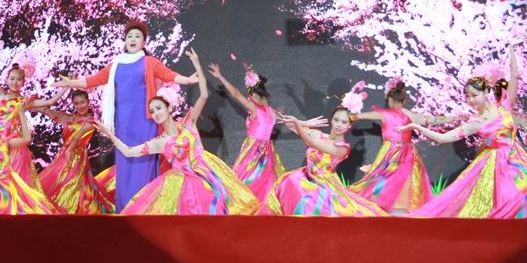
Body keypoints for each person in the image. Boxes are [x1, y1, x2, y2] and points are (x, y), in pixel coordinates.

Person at [398, 37, 527, 219]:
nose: (470, 100)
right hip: (498, 165)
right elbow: (443, 138)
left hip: (518, 158)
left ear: (486, 92)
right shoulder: (475, 122)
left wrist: (511, 48)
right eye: (467, 96)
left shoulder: (504, 106)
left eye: (474, 95)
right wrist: (415, 126)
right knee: (506, 201)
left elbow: (515, 76)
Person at [54, 21, 199, 211]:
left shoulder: (149, 62)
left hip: (145, 122)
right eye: (130, 36)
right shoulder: (116, 64)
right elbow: (94, 80)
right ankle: (125, 210)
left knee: (143, 164)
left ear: (144, 42)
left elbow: (168, 75)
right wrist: (70, 83)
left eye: (137, 36)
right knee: (125, 163)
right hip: (123, 122)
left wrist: (187, 80)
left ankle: (144, 209)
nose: (133, 39)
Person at [95, 49, 259, 215]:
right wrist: (109, 133)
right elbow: (129, 152)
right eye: (152, 111)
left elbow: (203, 96)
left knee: (224, 210)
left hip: (207, 173)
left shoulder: (188, 124)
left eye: (158, 108)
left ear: (169, 108)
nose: (156, 113)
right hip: (187, 186)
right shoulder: (159, 142)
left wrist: (197, 65)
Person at [264, 107, 386, 216]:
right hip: (306, 178)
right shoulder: (319, 135)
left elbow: (311, 143)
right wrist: (305, 123)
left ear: (349, 125)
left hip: (322, 185)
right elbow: (290, 125)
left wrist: (297, 122)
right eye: (336, 120)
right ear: (331, 120)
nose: (339, 125)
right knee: (291, 181)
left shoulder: (343, 148)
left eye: (344, 122)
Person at [0, 43, 64, 193]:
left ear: (23, 82)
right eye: (12, 79)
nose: (15, 82)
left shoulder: (25, 101)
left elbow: (50, 102)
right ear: (7, 79)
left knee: (13, 182)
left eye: (18, 79)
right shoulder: (0, 94)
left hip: (14, 143)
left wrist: (67, 87)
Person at [346, 79, 433, 214]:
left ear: (390, 100)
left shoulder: (385, 114)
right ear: (404, 101)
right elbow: (434, 120)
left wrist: (347, 112)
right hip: (408, 153)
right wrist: (457, 119)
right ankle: (402, 209)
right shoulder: (411, 115)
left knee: (382, 177)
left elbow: (357, 116)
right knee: (406, 180)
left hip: (391, 151)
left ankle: (379, 205)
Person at [207, 62, 284, 201]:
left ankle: (247, 204)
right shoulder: (269, 111)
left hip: (257, 150)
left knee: (248, 180)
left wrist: (220, 77)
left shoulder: (259, 109)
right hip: (264, 151)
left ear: (255, 94)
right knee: (260, 182)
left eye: (250, 94)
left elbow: (236, 93)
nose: (249, 98)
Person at [38, 90, 115, 214]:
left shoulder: (91, 122)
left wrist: (70, 150)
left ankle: (69, 209)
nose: (80, 106)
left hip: (76, 157)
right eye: (76, 103)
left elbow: (78, 137)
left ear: (88, 102)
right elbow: (52, 113)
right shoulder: (70, 118)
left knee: (72, 183)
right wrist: (33, 107)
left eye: (82, 102)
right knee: (58, 182)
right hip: (63, 155)